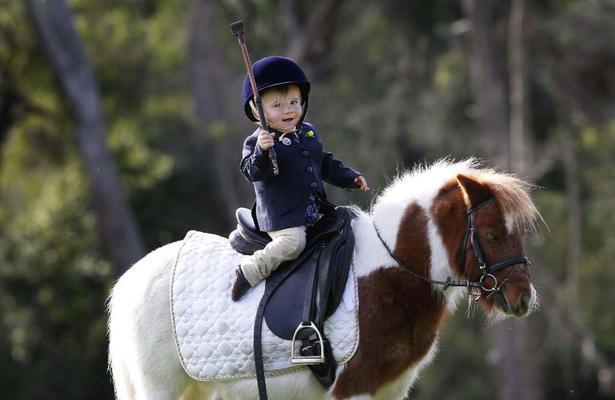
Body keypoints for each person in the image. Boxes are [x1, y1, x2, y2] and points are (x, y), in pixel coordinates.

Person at [231, 56, 369, 301]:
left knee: (349, 224)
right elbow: (251, 172)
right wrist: (262, 152)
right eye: (278, 105)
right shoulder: (257, 141)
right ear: (257, 110)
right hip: (282, 215)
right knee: (294, 243)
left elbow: (323, 162)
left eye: (294, 102)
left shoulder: (307, 132)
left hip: (313, 210)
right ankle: (250, 271)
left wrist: (350, 177)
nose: (288, 110)